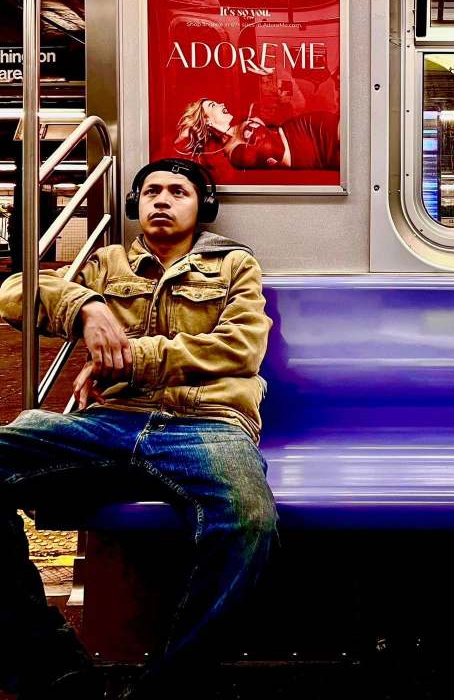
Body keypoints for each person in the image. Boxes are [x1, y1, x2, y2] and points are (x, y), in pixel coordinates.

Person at [0, 158, 276, 700]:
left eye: (178, 191)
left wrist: (133, 356)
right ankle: (48, 663)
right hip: (112, 420)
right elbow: (14, 291)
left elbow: (241, 348)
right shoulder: (106, 264)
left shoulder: (234, 265)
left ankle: (171, 686)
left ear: (203, 206)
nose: (162, 200)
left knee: (249, 522)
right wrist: (87, 309)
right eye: (151, 192)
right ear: (135, 204)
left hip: (207, 424)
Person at [175, 97, 340, 171]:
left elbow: (275, 108)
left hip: (309, 127)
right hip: (309, 156)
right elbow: (178, 146)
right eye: (213, 105)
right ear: (207, 121)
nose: (221, 104)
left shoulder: (246, 120)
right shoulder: (231, 153)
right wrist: (189, 130)